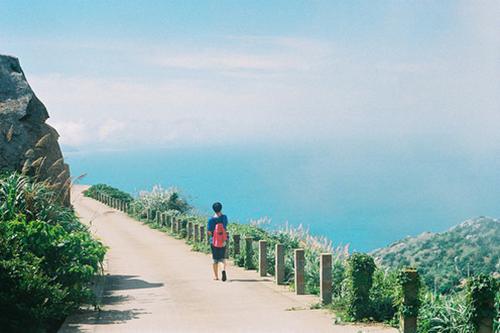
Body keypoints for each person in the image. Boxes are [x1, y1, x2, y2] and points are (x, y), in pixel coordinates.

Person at [207, 202, 228, 281]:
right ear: (221, 208)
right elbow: (225, 226)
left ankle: (216, 276)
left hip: (214, 241)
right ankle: (223, 270)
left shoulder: (211, 220)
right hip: (223, 241)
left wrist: (212, 235)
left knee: (215, 259)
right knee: (222, 259)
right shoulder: (224, 217)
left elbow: (209, 231)